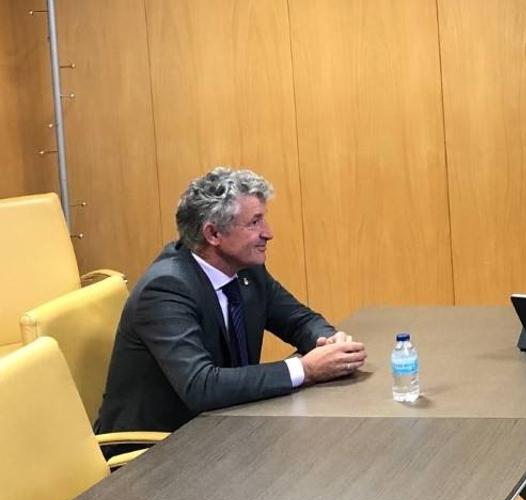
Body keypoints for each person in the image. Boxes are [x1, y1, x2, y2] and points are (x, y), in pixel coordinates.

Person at [96, 167, 367, 436]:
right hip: (160, 446)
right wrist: (306, 369)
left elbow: (300, 321)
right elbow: (200, 386)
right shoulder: (166, 289)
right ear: (213, 234)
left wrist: (329, 342)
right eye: (254, 223)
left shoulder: (247, 271)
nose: (268, 233)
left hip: (225, 426)